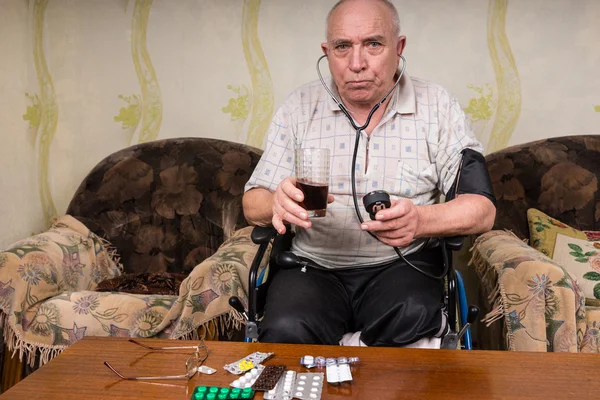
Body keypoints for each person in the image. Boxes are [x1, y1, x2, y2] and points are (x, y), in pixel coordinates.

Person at [242, 0, 496, 347]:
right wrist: (276, 202)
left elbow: (482, 208)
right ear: (326, 52)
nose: (356, 64)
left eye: (373, 44)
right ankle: (354, 352)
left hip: (403, 265)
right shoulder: (298, 108)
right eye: (342, 47)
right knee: (286, 327)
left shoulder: (438, 105)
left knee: (415, 315)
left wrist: (420, 220)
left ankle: (350, 355)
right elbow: (251, 202)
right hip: (312, 266)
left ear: (398, 47)